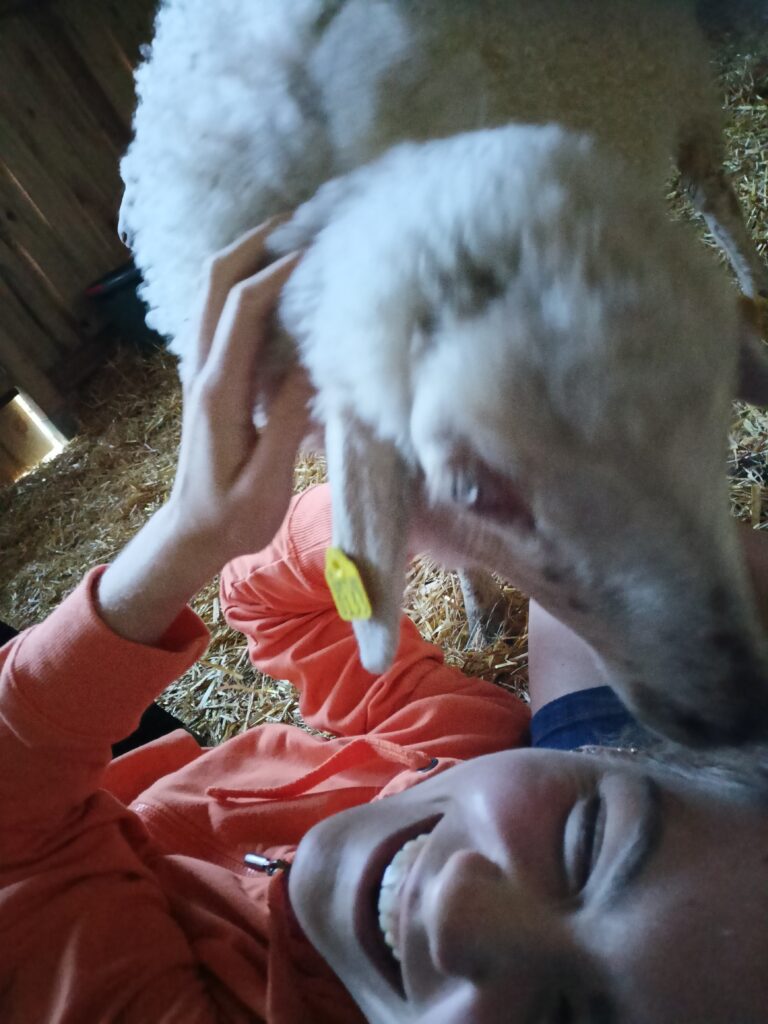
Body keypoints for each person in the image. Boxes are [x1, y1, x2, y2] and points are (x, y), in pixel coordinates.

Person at [1, 222, 767, 1024]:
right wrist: (371, 535)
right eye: (586, 836)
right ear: (622, 753)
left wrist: (182, 541)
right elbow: (274, 610)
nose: (454, 904)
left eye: (562, 1018)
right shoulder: (454, 752)